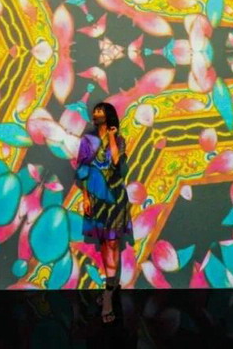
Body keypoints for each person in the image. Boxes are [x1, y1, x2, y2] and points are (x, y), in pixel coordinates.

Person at [75, 102, 133, 324]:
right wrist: (85, 197)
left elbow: (117, 162)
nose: (96, 113)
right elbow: (83, 170)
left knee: (113, 243)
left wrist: (111, 137)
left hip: (116, 196)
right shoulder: (87, 141)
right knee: (104, 243)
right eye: (95, 111)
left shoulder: (119, 140)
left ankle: (108, 294)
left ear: (109, 116)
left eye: (100, 111)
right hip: (96, 197)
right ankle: (111, 284)